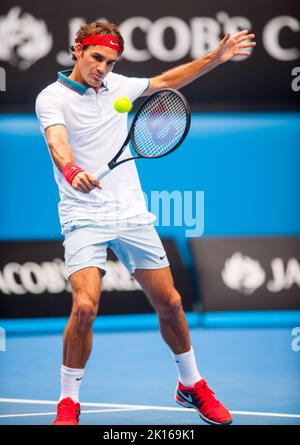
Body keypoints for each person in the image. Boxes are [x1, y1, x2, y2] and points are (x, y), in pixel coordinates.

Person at [35, 21, 255, 426]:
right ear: (78, 50)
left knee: (170, 303)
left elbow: (169, 80)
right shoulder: (51, 98)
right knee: (85, 306)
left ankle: (191, 384)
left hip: (131, 214)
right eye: (97, 58)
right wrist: (71, 171)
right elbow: (56, 141)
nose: (104, 68)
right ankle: (68, 402)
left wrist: (217, 57)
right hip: (83, 215)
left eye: (111, 61)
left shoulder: (120, 86)